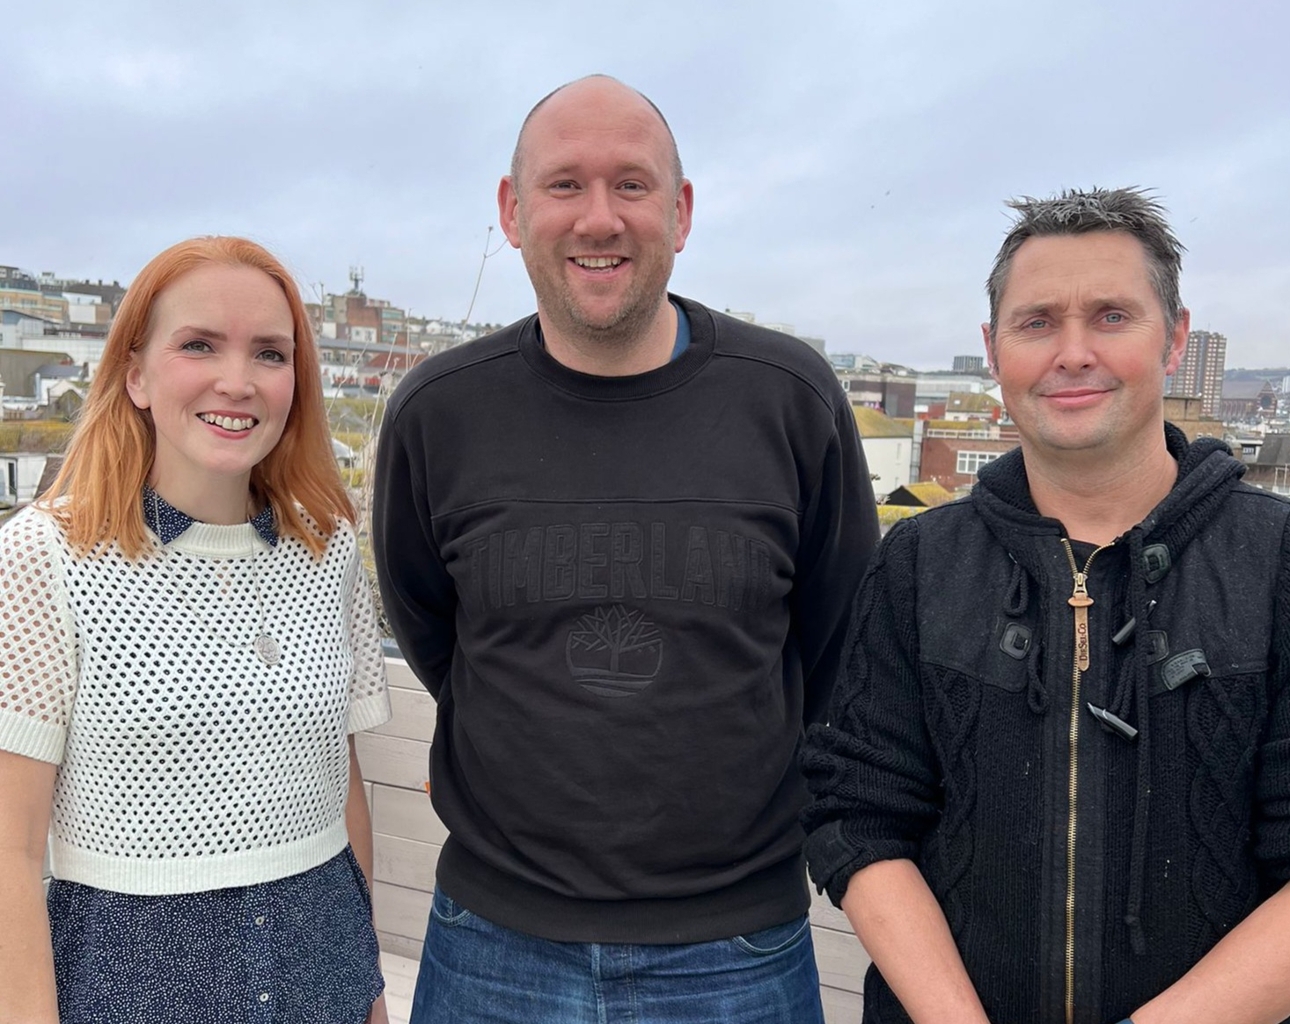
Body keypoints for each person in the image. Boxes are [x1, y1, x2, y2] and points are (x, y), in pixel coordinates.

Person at [373, 74, 879, 1023]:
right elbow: (436, 634)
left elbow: (839, 643)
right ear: (511, 212)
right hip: (492, 942)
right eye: (564, 185)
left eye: (632, 186)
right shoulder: (438, 415)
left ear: (681, 212)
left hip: (738, 950)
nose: (598, 218)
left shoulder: (791, 400)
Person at [801, 187, 1290, 1024]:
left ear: (1174, 338)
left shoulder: (1275, 562)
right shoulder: (919, 562)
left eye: (1110, 316)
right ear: (992, 350)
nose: (1072, 353)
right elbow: (858, 813)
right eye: (1037, 323)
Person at [0, 236, 392, 1024]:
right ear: (136, 373)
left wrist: (368, 986)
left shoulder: (331, 549)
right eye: (200, 344)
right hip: (129, 985)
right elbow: (9, 850)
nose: (238, 381)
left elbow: (338, 790)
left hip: (325, 971)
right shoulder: (45, 555)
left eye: (270, 354)